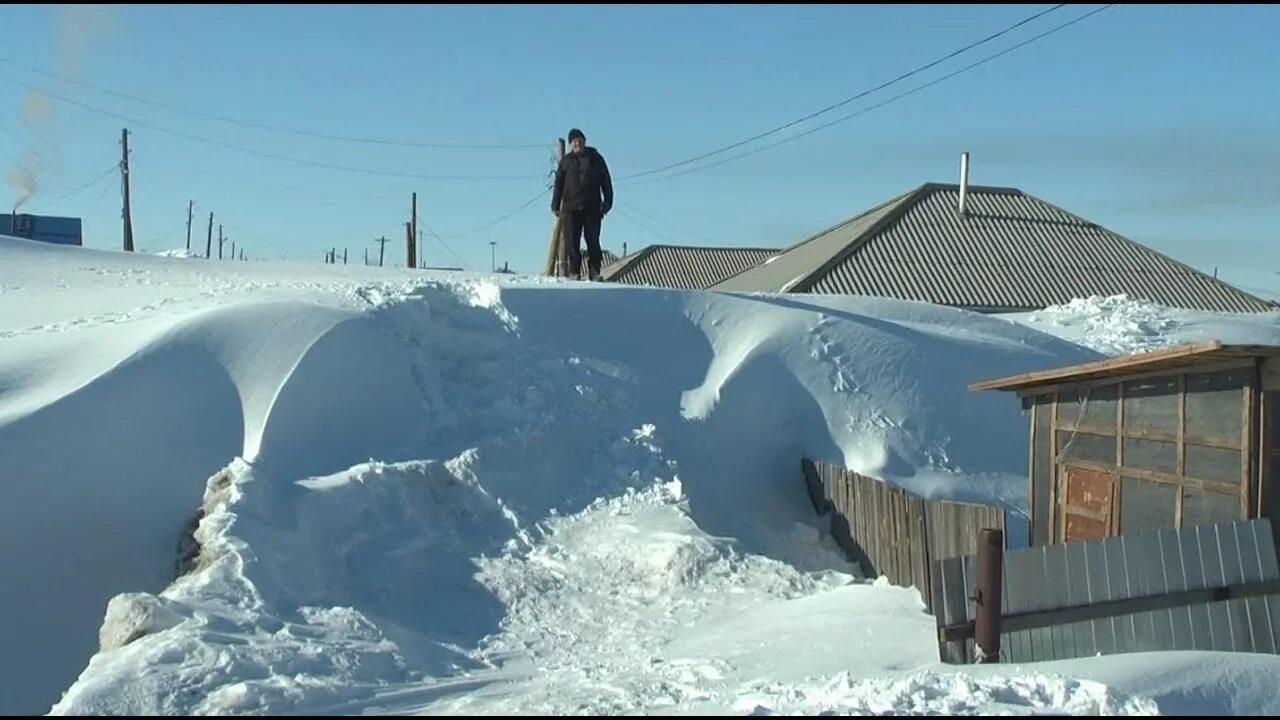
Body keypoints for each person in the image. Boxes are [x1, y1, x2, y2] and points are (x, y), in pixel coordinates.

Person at [552, 128, 613, 281]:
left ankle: (594, 271)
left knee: (593, 240)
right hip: (571, 208)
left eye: (580, 140)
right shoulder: (566, 161)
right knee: (572, 241)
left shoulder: (596, 159)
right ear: (571, 144)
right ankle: (574, 271)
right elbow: (558, 183)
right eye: (574, 141)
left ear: (584, 141)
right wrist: (555, 203)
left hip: (592, 207)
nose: (577, 143)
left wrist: (607, 202)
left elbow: (606, 181)